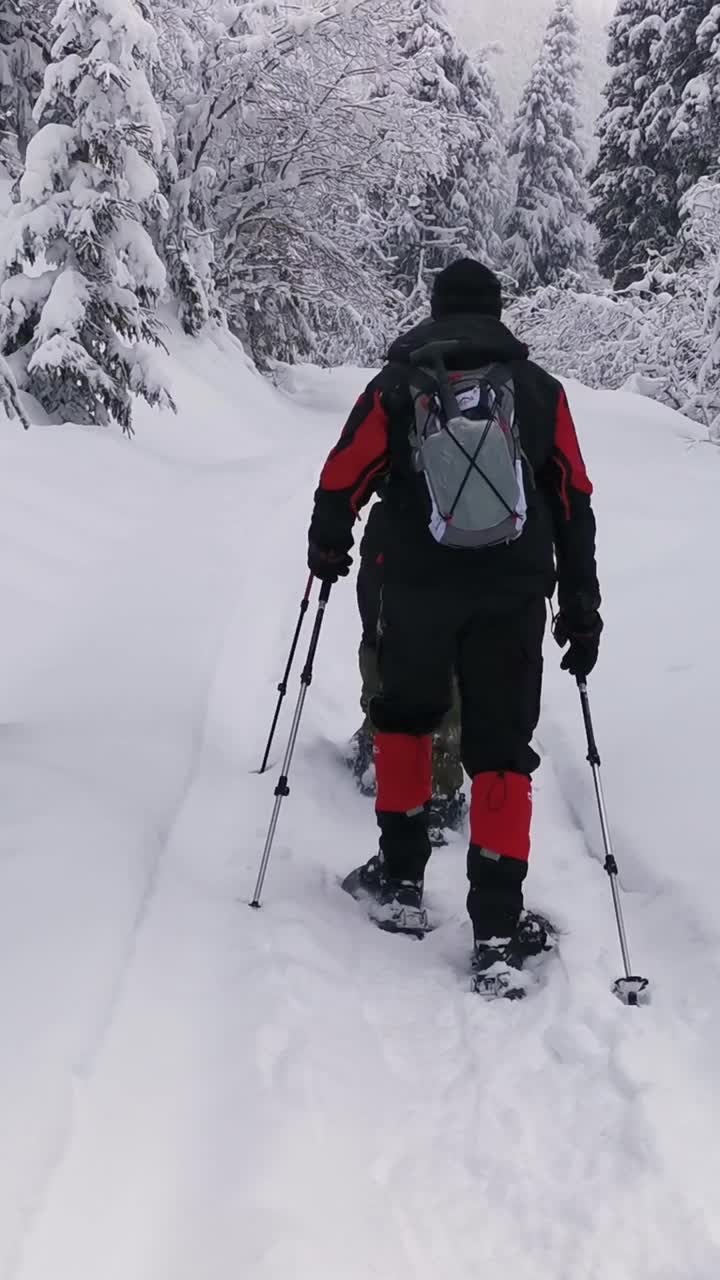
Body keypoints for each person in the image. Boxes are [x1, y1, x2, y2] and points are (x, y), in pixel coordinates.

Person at [307, 258, 601, 989]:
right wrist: (582, 610)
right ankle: (498, 931)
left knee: (405, 719)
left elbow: (343, 476)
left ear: (435, 311)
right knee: (502, 750)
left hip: (413, 585)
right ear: (498, 312)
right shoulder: (537, 392)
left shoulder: (400, 387)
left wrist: (329, 548)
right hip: (512, 591)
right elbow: (573, 502)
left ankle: (400, 883)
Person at [349, 496, 466, 845]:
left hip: (400, 522)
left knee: (382, 629)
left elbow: (357, 460)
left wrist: (331, 521)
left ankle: (378, 745)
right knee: (450, 644)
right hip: (475, 531)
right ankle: (442, 783)